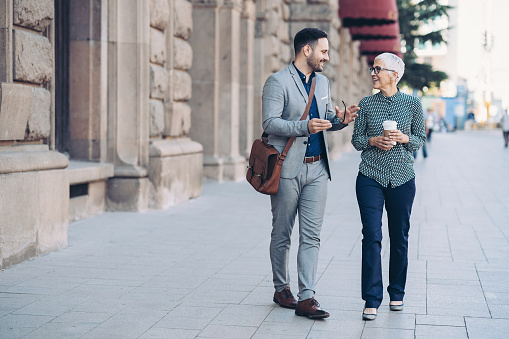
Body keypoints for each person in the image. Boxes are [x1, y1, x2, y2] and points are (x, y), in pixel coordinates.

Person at [262, 27, 359, 319]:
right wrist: (303, 127)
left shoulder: (323, 82)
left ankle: (307, 298)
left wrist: (341, 120)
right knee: (282, 233)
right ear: (307, 50)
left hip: (318, 168)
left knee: (312, 236)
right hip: (287, 168)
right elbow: (269, 123)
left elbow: (325, 118)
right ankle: (282, 289)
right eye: (324, 51)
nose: (327, 57)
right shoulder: (277, 82)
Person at [351, 53, 425, 321]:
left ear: (394, 74)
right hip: (370, 176)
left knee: (400, 237)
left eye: (378, 68)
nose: (373, 72)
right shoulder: (366, 104)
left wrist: (404, 138)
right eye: (372, 68)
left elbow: (420, 138)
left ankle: (397, 292)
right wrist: (374, 141)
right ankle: (371, 298)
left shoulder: (412, 104)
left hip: (403, 178)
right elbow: (357, 140)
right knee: (372, 235)